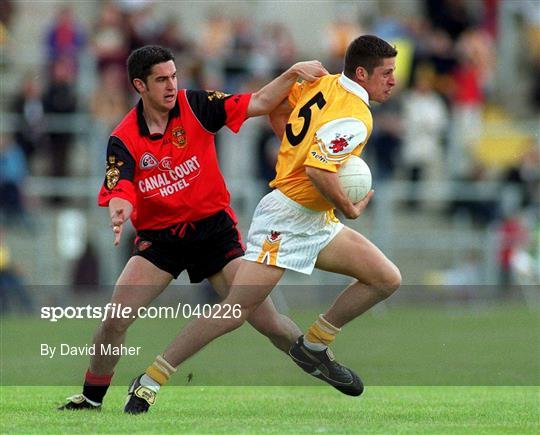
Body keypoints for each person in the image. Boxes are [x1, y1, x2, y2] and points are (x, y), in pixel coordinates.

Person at [124, 35, 401, 414]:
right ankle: (151, 379)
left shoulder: (322, 84)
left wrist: (291, 150)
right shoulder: (357, 116)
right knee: (236, 311)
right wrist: (349, 209)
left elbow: (277, 110)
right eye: (386, 73)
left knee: (386, 278)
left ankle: (315, 344)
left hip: (315, 217)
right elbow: (319, 170)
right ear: (361, 73)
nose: (393, 81)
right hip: (286, 219)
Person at [59, 45, 328, 411]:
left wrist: (292, 71)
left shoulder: (197, 105)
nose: (172, 86)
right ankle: (91, 398)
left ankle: (326, 365)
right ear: (140, 85)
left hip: (214, 234)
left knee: (270, 323)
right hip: (161, 241)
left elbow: (261, 102)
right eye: (161, 80)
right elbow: (119, 185)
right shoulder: (123, 137)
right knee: (114, 321)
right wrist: (120, 207)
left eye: (173, 76)